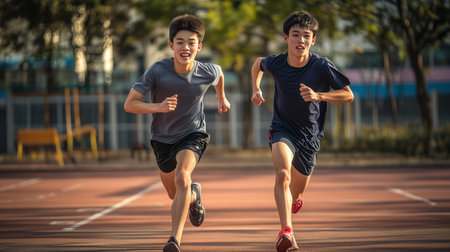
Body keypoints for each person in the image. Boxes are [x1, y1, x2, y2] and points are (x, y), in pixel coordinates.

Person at [124, 14, 230, 252]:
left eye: (191, 42)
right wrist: (158, 107)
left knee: (183, 176)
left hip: (193, 134)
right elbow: (129, 104)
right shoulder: (157, 71)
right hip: (162, 139)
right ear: (171, 45)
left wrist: (221, 97)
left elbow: (219, 73)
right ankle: (194, 195)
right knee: (175, 193)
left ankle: (174, 240)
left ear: (199, 47)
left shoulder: (206, 71)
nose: (186, 47)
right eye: (180, 42)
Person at [250, 10, 354, 251]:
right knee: (282, 175)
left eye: (306, 36)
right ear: (286, 38)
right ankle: (287, 232)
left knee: (295, 193)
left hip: (309, 136)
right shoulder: (276, 62)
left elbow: (348, 95)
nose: (300, 40)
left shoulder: (321, 66)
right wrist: (255, 89)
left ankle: (295, 199)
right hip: (281, 129)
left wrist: (319, 95)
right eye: (295, 35)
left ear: (313, 40)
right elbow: (257, 64)